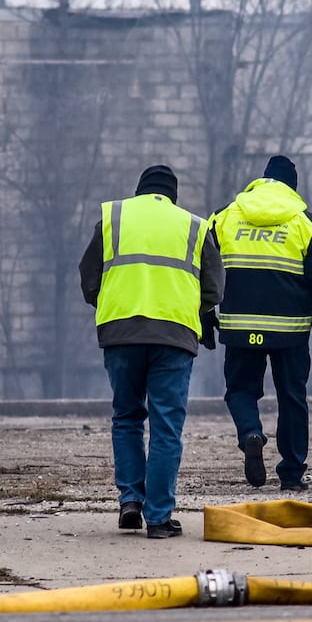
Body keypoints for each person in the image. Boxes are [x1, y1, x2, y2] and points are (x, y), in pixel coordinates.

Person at [78, 165, 223, 538]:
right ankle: (158, 517)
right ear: (172, 195)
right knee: (165, 427)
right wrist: (194, 312)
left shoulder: (114, 217)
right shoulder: (193, 225)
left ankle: (130, 501)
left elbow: (89, 277)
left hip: (121, 333)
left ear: (139, 190)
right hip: (173, 337)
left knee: (126, 417)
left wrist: (112, 305)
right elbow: (215, 289)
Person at [209, 155, 312, 492]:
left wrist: (203, 313)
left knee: (240, 390)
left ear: (261, 181)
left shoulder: (224, 217)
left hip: (239, 327)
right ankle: (292, 475)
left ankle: (251, 433)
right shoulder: (307, 224)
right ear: (291, 189)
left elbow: (202, 267)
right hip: (290, 331)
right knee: (292, 398)